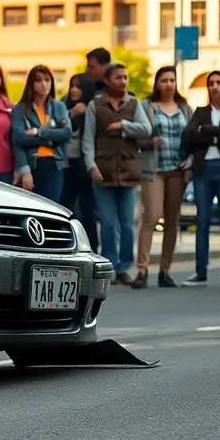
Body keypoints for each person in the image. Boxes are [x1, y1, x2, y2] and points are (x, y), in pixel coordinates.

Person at [82, 63, 151, 285]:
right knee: (109, 223)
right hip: (103, 171)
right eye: (119, 77)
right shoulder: (96, 105)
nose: (124, 81)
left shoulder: (133, 103)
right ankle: (110, 266)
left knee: (127, 223)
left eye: (126, 77)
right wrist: (91, 165)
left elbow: (146, 129)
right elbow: (88, 138)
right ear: (108, 80)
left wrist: (124, 125)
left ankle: (124, 267)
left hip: (129, 171)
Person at [181, 71, 220, 287]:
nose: (214, 87)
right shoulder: (200, 112)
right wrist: (215, 132)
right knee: (202, 221)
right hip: (203, 169)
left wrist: (205, 131)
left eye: (218, 83)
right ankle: (200, 272)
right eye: (210, 84)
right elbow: (189, 134)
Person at [134, 66, 192, 288]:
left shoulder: (185, 108)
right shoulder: (147, 106)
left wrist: (191, 162)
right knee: (152, 216)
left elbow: (194, 137)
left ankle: (165, 270)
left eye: (172, 80)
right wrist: (149, 142)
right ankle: (142, 270)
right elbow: (135, 137)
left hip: (177, 170)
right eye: (164, 80)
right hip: (154, 170)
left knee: (172, 220)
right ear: (157, 83)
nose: (169, 84)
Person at [11, 65, 72, 202]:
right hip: (33, 164)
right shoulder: (20, 109)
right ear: (31, 84)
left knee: (52, 208)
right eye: (38, 80)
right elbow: (18, 140)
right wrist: (24, 171)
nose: (44, 84)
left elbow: (66, 133)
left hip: (55, 164)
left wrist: (39, 133)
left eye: (47, 80)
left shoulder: (59, 107)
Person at [60, 74, 99, 248]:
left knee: (87, 211)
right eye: (72, 86)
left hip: (86, 165)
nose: (73, 90)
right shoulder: (63, 105)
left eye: (78, 87)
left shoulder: (94, 106)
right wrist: (71, 114)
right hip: (67, 163)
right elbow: (55, 128)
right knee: (65, 207)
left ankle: (90, 247)